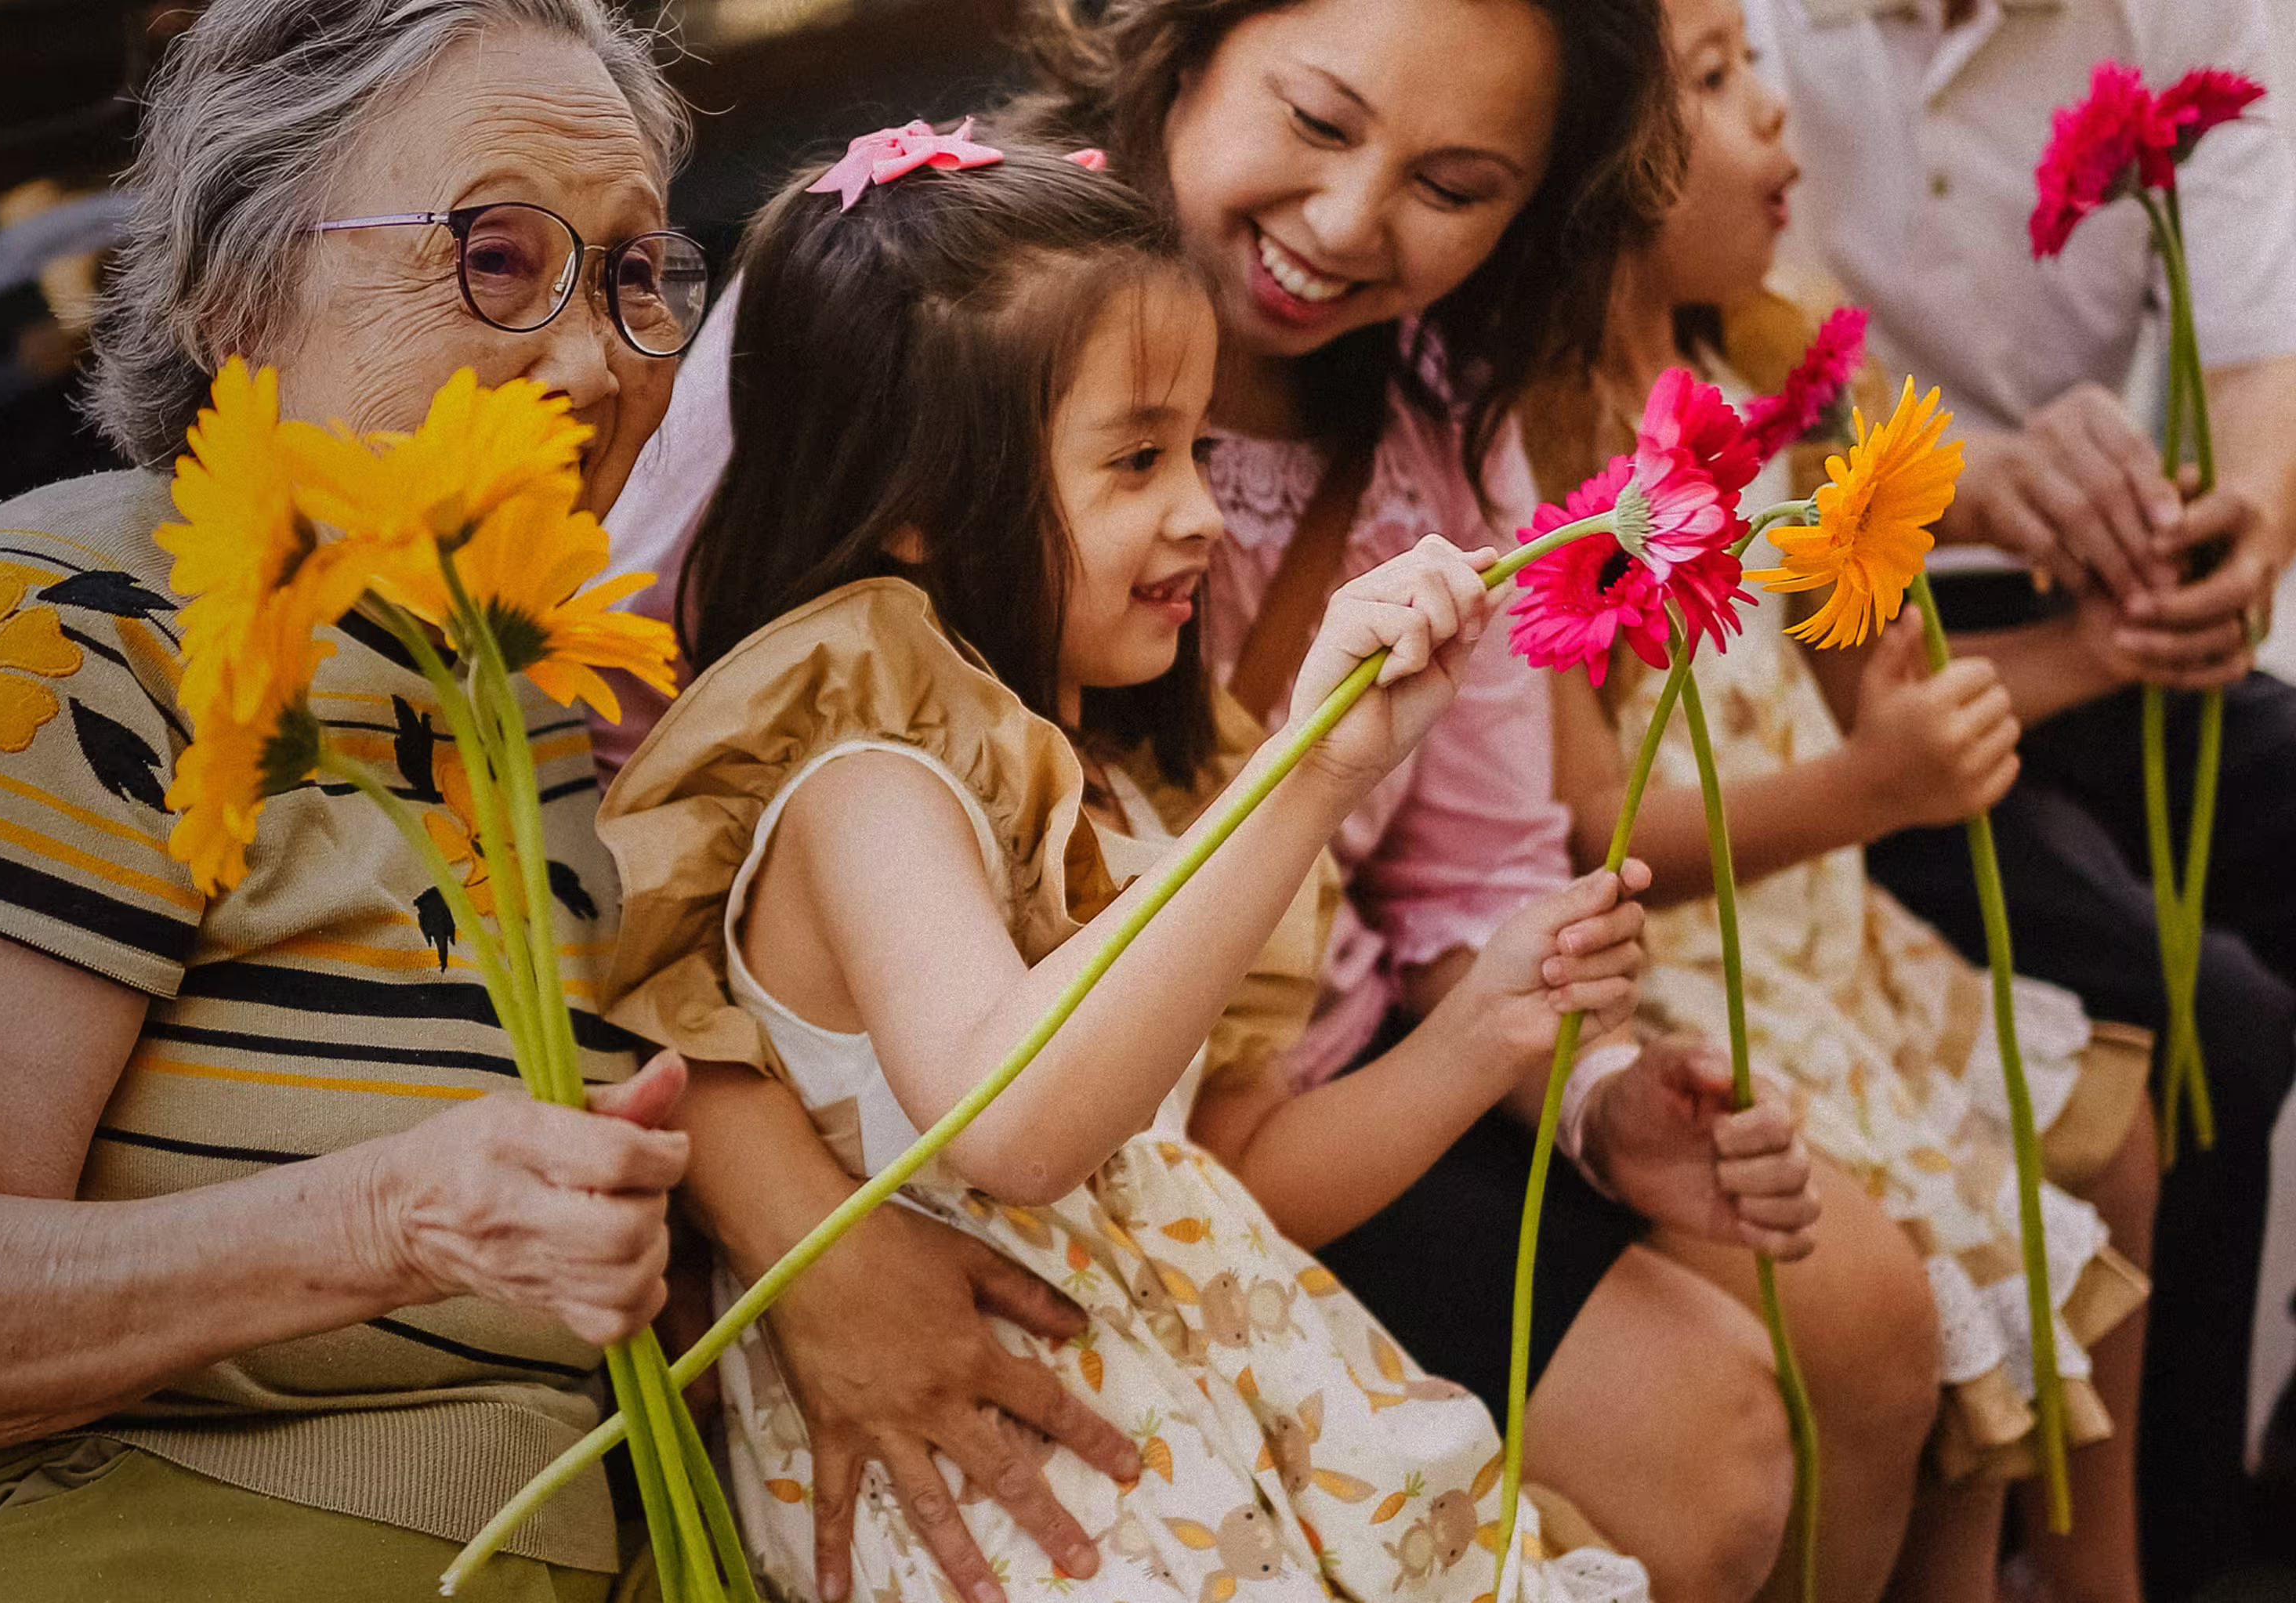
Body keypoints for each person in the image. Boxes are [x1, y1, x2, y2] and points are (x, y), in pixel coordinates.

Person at [611, 3, 1893, 1598]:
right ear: (1190, 47)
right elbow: (632, 864)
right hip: (1020, 1294)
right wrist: (811, 1247)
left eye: (1455, 183)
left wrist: (1567, 1078)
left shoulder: (1109, 740)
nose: (1351, 222)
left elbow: (1255, 1088)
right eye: (1318, 118)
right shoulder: (902, 314)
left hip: (1212, 1216)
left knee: (1846, 1330)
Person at [0, 0, 712, 1595]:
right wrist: (387, 1221)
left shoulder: (538, 676)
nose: (594, 358)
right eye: (496, 258)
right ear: (246, 298)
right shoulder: (72, 635)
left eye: (637, 273)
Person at [1525, 1, 2159, 1595]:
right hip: (1708, 964)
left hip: (1818, 925)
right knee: (1950, 1285)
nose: (1780, 124)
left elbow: (1827, 687)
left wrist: (2030, 656)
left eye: (1759, 65)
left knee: (2085, 1173)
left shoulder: (1742, 371)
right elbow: (1593, 828)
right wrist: (1873, 783)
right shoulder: (1549, 458)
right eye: (1717, 83)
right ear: (1595, 157)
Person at [1741, 2, 2296, 1589]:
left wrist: (2237, 543)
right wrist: (1976, 482)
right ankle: (2166, 1558)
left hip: (2092, 599)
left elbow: (2266, 341)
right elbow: (1751, 362)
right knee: (2212, 1020)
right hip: (1844, 626)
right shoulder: (1739, 34)